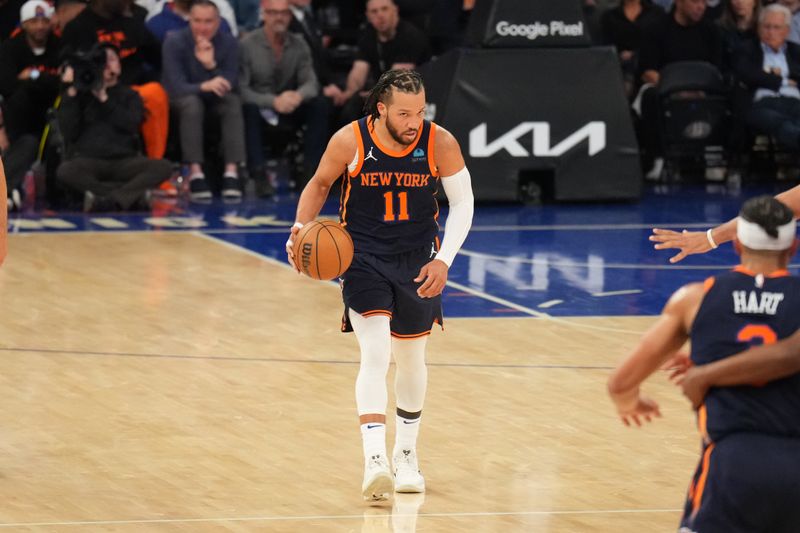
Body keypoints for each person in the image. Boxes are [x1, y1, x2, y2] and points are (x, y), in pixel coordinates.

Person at [285, 69, 474, 501]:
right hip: (363, 259)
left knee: (411, 360)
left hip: (418, 261)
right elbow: (319, 184)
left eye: (420, 111)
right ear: (382, 109)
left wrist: (444, 260)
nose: (414, 121)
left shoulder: (439, 142)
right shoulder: (349, 140)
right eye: (405, 113)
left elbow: (463, 202)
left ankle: (406, 455)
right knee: (375, 353)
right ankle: (375, 459)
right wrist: (300, 228)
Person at [609, 195, 800, 531]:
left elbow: (620, 383)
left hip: (731, 464)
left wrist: (632, 402)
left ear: (738, 245)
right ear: (793, 247)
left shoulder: (697, 298)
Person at [56, 44, 172, 211]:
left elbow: (131, 125)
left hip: (125, 161)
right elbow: (68, 131)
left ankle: (103, 199)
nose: (107, 65)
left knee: (163, 167)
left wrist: (104, 98)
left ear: (119, 65)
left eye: (111, 59)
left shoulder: (130, 95)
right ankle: (125, 197)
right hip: (89, 160)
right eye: (102, 61)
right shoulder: (79, 95)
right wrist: (72, 91)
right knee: (65, 171)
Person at [240, 0, 325, 195]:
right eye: (273, 13)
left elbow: (311, 83)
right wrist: (273, 102)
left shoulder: (299, 43)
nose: (279, 18)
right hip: (260, 107)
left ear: (290, 16)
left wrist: (297, 96)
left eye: (284, 13)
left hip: (289, 105)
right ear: (263, 15)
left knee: (319, 104)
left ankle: (309, 172)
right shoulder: (247, 45)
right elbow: (242, 90)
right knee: (248, 109)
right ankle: (259, 174)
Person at [162, 0, 244, 201]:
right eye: (197, 21)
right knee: (192, 103)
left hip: (216, 101)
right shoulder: (174, 42)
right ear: (190, 20)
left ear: (218, 22)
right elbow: (174, 86)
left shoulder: (229, 43)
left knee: (232, 102)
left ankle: (231, 173)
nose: (202, 27)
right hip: (182, 101)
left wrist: (211, 65)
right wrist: (203, 86)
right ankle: (196, 173)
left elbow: (230, 82)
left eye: (208, 21)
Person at [327, 0, 431, 128]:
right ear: (368, 16)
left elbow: (397, 80)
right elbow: (358, 72)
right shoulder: (368, 35)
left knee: (363, 106)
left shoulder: (411, 36)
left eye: (384, 9)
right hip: (382, 94)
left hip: (414, 95)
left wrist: (368, 95)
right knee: (346, 105)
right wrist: (347, 94)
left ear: (395, 11)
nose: (380, 15)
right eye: (374, 12)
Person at [0, 0, 61, 207]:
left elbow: (62, 85)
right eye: (34, 21)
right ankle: (6, 192)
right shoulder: (10, 48)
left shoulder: (59, 46)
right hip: (17, 125)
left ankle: (9, 192)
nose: (40, 26)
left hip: (52, 121)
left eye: (44, 20)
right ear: (24, 24)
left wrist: (33, 75)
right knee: (27, 142)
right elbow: (8, 87)